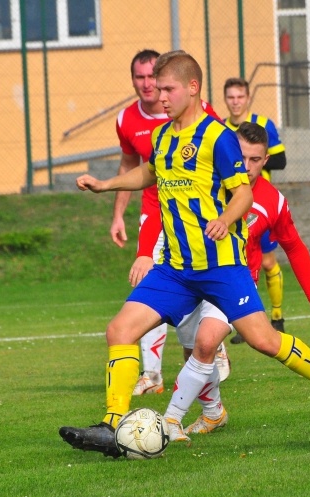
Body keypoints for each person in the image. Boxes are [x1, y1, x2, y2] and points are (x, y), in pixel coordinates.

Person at [59, 51, 310, 458]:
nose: (159, 95)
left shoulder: (218, 137)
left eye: (168, 88)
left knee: (264, 341)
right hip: (175, 269)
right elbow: (149, 172)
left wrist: (224, 219)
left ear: (192, 87)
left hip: (222, 266)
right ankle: (111, 426)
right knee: (119, 331)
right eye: (157, 88)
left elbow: (243, 192)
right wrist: (106, 185)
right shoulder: (163, 136)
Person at [179, 121, 310, 435]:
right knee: (192, 350)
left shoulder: (272, 200)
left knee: (206, 341)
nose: (248, 166)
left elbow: (294, 245)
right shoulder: (205, 181)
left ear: (265, 160)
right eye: (241, 157)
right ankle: (213, 412)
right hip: (192, 274)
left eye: (255, 160)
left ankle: (169, 422)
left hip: (236, 282)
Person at [110, 49, 231, 395]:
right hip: (156, 214)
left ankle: (212, 336)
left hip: (195, 216)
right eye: (140, 77)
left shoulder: (198, 111)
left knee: (198, 284)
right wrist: (118, 214)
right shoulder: (126, 120)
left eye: (154, 78)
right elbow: (130, 167)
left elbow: (220, 157)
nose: (148, 85)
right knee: (148, 286)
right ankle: (152, 374)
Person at [222, 77, 287, 341]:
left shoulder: (263, 124)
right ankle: (244, 322)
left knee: (268, 262)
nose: (235, 102)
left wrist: (248, 162)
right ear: (225, 100)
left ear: (248, 98)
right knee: (239, 262)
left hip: (259, 206)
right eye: (231, 97)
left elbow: (281, 160)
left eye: (240, 97)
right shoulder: (220, 127)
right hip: (232, 202)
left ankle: (277, 317)